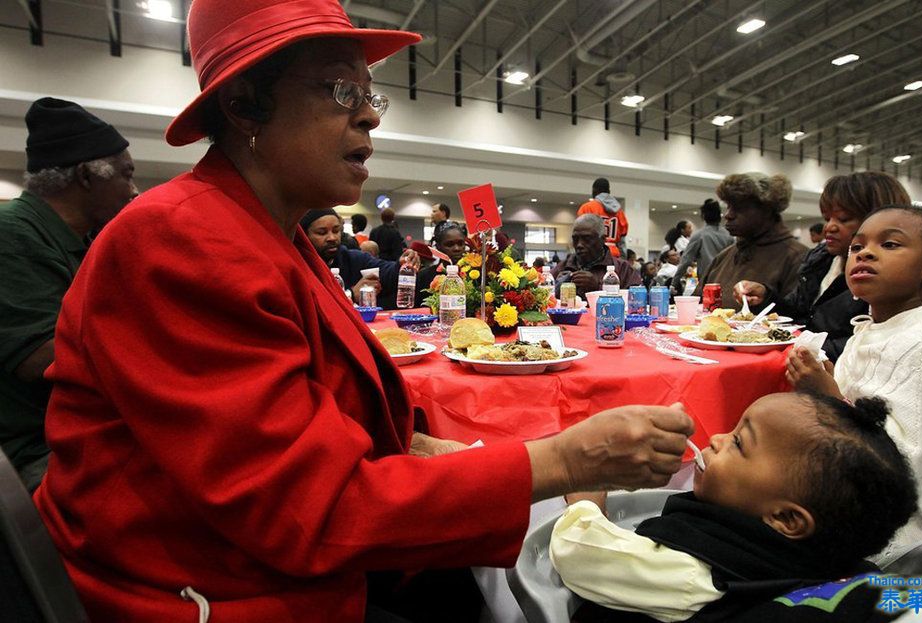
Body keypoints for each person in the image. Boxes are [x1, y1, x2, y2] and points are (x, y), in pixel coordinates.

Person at [34, 3, 697, 622]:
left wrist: (459, 452)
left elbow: (326, 421)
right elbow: (307, 516)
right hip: (206, 590)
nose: (371, 117)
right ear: (243, 107)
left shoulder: (267, 231)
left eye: (369, 94)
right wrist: (567, 460)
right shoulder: (180, 241)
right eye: (338, 90)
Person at [551, 392, 917, 622]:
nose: (717, 438)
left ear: (785, 518)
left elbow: (580, 553)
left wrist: (585, 501)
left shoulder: (694, 574)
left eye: (739, 443)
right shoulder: (823, 551)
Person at [787, 206, 922, 566]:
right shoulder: (875, 328)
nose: (864, 253)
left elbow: (903, 461)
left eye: (889, 244)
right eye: (857, 247)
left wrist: (827, 395)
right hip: (848, 490)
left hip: (887, 536)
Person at [0, 97, 137, 492]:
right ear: (87, 176)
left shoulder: (83, 239)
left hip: (79, 428)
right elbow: (40, 357)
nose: (133, 190)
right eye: (126, 175)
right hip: (36, 448)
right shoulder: (13, 233)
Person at [736, 173, 922, 361]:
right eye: (827, 219)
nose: (830, 228)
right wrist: (766, 298)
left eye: (844, 219)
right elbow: (800, 310)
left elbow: (874, 346)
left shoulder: (907, 288)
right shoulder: (823, 261)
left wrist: (799, 344)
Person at [698, 172, 807, 309]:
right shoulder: (723, 257)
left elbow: (796, 319)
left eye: (739, 207)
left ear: (766, 209)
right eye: (728, 206)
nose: (728, 215)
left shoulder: (798, 258)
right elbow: (695, 306)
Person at [302, 207, 416, 309]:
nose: (332, 237)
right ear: (304, 235)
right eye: (322, 233)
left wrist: (402, 264)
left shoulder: (352, 257)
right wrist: (351, 294)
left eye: (336, 231)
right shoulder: (297, 265)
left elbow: (387, 271)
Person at [555, 214, 641, 299]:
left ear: (603, 239)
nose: (579, 245)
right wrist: (556, 288)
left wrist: (598, 287)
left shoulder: (623, 269)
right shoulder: (563, 267)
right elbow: (544, 297)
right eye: (575, 239)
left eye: (587, 239)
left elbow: (636, 302)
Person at [671, 199, 734, 294]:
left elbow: (686, 261)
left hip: (707, 282)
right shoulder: (729, 235)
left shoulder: (699, 235)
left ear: (703, 216)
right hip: (727, 281)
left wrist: (674, 283)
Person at [415, 222, 468, 307]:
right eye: (449, 244)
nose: (456, 248)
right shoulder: (424, 276)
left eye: (460, 243)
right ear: (438, 246)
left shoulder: (475, 275)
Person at [578, 177, 628, 258]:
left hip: (593, 254)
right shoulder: (619, 212)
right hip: (614, 255)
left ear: (594, 191)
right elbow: (622, 242)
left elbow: (581, 235)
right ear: (609, 192)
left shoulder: (587, 208)